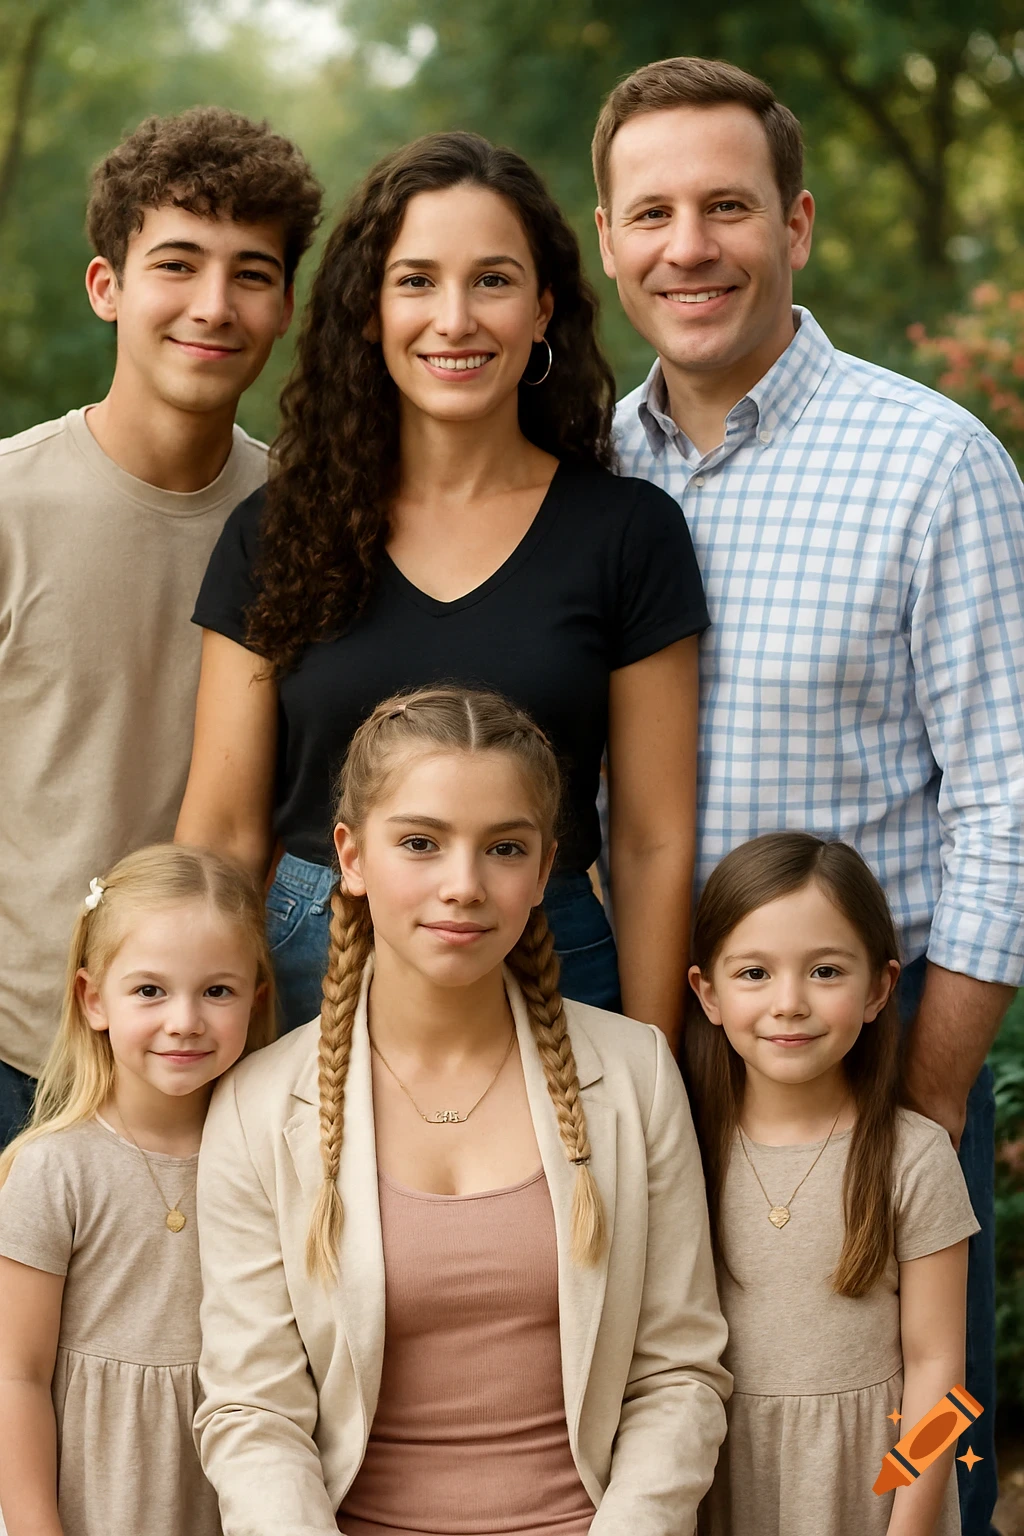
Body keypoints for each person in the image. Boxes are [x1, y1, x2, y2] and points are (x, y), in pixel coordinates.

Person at [594, 56, 1023, 1531]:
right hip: (658, 1063)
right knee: (683, 1434)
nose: (688, 247)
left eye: (727, 206)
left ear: (799, 223)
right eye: (651, 212)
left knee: (922, 1400)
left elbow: (1008, 797)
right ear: (606, 240)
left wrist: (930, 1081)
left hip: (870, 1050)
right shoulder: (584, 472)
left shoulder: (930, 463)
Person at [176, 130, 708, 1043]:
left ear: (543, 310)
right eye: (416, 280)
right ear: (370, 310)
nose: (454, 319)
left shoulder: (628, 532)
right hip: (317, 958)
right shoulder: (276, 532)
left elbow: (653, 841)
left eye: (493, 281)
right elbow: (223, 833)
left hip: (551, 955)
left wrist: (654, 1076)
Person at [195, 686, 730, 1536]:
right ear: (352, 856)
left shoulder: (636, 1078)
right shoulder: (258, 1108)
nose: (464, 885)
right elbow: (252, 1413)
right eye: (420, 842)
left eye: (504, 848)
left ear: (547, 865)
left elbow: (679, 1375)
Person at [0, 107, 320, 1150]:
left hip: (218, 1058)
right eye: (177, 264)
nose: (212, 306)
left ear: (284, 309)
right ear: (109, 288)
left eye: (251, 274)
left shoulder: (311, 527)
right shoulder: (12, 506)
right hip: (17, 1055)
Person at [684, 832, 978, 1536]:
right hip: (723, 1478)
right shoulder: (684, 1150)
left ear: (879, 988)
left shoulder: (913, 1156)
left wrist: (906, 1527)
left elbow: (940, 1368)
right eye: (754, 973)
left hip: (869, 1489)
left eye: (824, 972)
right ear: (708, 992)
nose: (789, 1002)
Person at [0, 843, 275, 1536]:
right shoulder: (54, 1169)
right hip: (100, 1499)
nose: (184, 1020)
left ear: (256, 999)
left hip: (236, 1487)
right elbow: (14, 1377)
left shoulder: (270, 1158)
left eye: (217, 990)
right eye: (150, 990)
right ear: (93, 999)